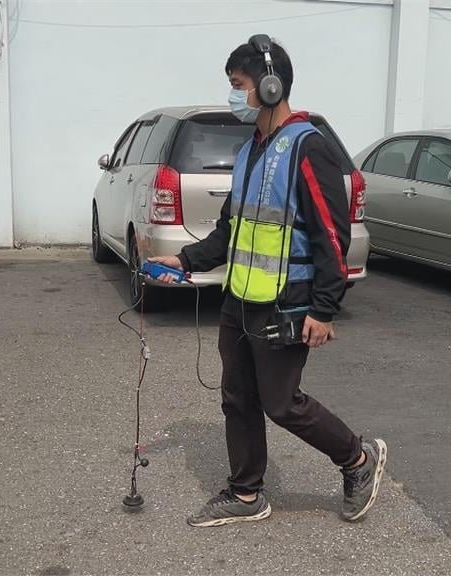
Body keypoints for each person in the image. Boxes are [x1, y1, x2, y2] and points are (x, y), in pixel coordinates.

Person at [148, 35, 386, 527]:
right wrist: (185, 259)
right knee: (237, 396)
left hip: (285, 301)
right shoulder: (250, 151)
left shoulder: (308, 149)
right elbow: (230, 229)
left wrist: (323, 308)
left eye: (239, 85)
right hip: (239, 297)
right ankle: (246, 492)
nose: (234, 95)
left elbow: (331, 236)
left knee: (282, 404)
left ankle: (358, 459)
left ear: (270, 86)